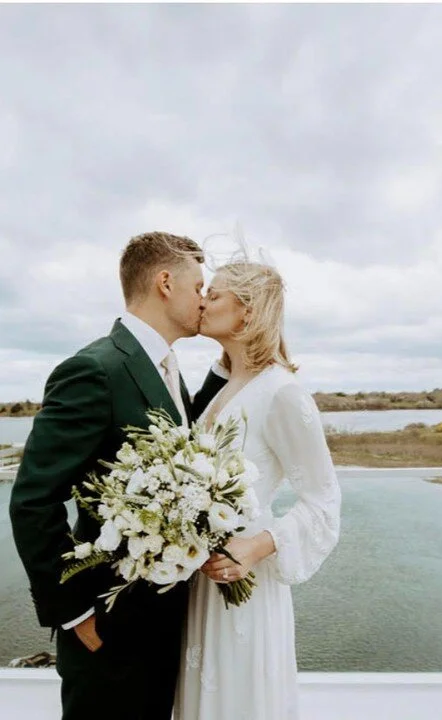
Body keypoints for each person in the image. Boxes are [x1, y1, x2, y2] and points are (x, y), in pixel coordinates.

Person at [9, 231, 207, 720]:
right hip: (107, 625)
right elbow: (34, 499)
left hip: (162, 618)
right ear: (165, 282)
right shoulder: (94, 369)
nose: (204, 299)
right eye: (199, 286)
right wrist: (74, 611)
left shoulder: (165, 367)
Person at [175, 260, 341, 720]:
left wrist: (256, 546)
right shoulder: (224, 386)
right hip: (202, 579)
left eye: (216, 294)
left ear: (247, 312)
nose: (204, 300)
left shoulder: (281, 392)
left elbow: (324, 502)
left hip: (245, 577)